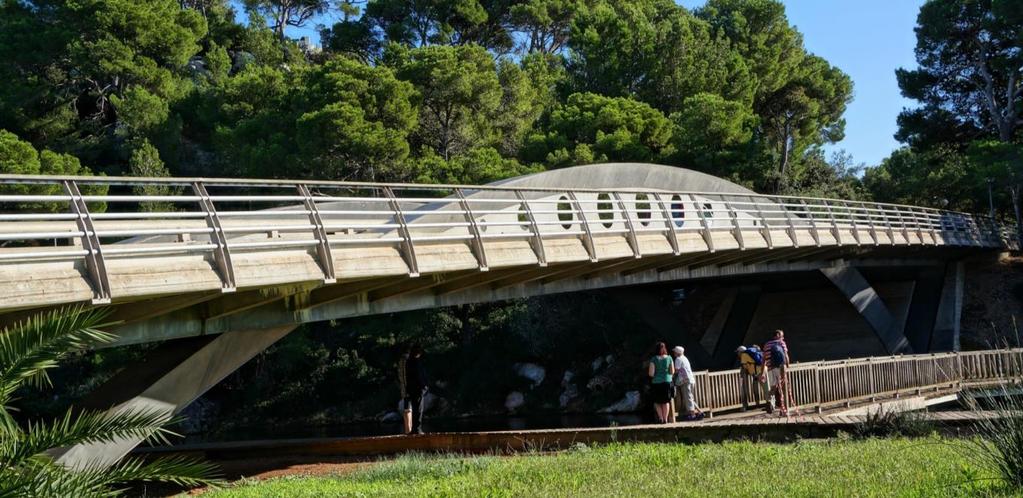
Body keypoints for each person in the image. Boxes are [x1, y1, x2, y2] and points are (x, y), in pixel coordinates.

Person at [736, 345, 773, 414]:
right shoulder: (750, 354)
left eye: (738, 352)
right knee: (766, 388)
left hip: (759, 372)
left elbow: (744, 367)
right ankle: (771, 404)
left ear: (740, 352)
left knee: (766, 389)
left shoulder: (744, 355)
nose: (738, 354)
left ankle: (770, 404)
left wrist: (746, 371)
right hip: (763, 369)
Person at [402, 344, 429, 434]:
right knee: (418, 410)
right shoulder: (416, 362)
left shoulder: (408, 362)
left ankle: (414, 429)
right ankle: (417, 429)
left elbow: (407, 377)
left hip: (411, 389)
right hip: (418, 390)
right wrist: (424, 387)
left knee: (414, 409)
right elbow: (419, 376)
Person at [764, 330, 791, 416]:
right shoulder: (781, 343)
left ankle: (769, 401)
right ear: (778, 335)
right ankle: (784, 410)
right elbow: (786, 356)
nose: (783, 338)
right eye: (782, 336)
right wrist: (788, 366)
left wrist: (762, 372)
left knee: (773, 388)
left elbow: (763, 359)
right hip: (781, 368)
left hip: (770, 368)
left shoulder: (767, 344)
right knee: (783, 388)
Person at [672, 346, 703, 421]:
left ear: (677, 353)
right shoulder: (685, 358)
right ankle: (700, 411)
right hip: (691, 379)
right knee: (690, 397)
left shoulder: (678, 359)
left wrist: (671, 374)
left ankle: (692, 415)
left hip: (685, 381)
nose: (673, 353)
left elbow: (676, 370)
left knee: (688, 397)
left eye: (674, 352)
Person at [647, 342, 675, 424]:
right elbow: (672, 371)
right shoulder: (669, 358)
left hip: (656, 383)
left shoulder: (653, 359)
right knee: (666, 401)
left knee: (657, 401)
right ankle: (666, 419)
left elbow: (651, 374)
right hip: (667, 381)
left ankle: (661, 418)